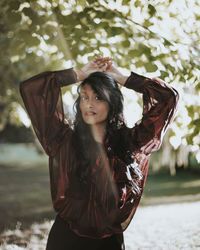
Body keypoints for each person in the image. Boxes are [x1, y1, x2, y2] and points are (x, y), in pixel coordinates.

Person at [20, 57, 179, 250]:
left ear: (112, 103)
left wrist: (123, 78)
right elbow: (31, 89)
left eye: (98, 97)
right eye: (85, 97)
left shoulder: (131, 142)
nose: (89, 104)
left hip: (109, 241)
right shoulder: (63, 140)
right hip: (66, 239)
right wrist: (77, 74)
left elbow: (168, 98)